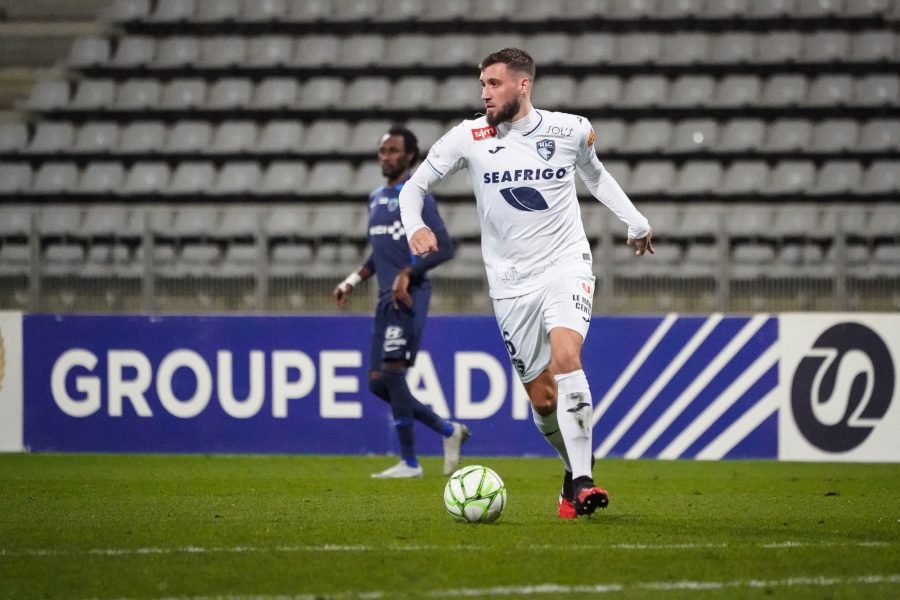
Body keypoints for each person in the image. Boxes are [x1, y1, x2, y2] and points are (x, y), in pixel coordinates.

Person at [399, 49, 654, 517]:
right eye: (482, 85)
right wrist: (415, 224)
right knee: (543, 400)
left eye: (493, 84)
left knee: (566, 356)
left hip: (565, 264)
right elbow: (413, 187)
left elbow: (596, 176)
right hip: (510, 282)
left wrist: (635, 222)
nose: (484, 94)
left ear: (522, 85)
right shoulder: (469, 136)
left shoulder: (570, 129)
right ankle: (573, 464)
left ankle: (582, 481)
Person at [333, 125, 470, 479]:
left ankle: (410, 463)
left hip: (408, 295)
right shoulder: (376, 197)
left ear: (410, 156)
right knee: (378, 382)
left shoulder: (418, 196)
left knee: (392, 374)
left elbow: (444, 246)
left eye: (394, 151)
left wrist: (409, 272)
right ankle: (447, 430)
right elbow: (380, 251)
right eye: (382, 151)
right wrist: (351, 281)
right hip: (383, 296)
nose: (386, 157)